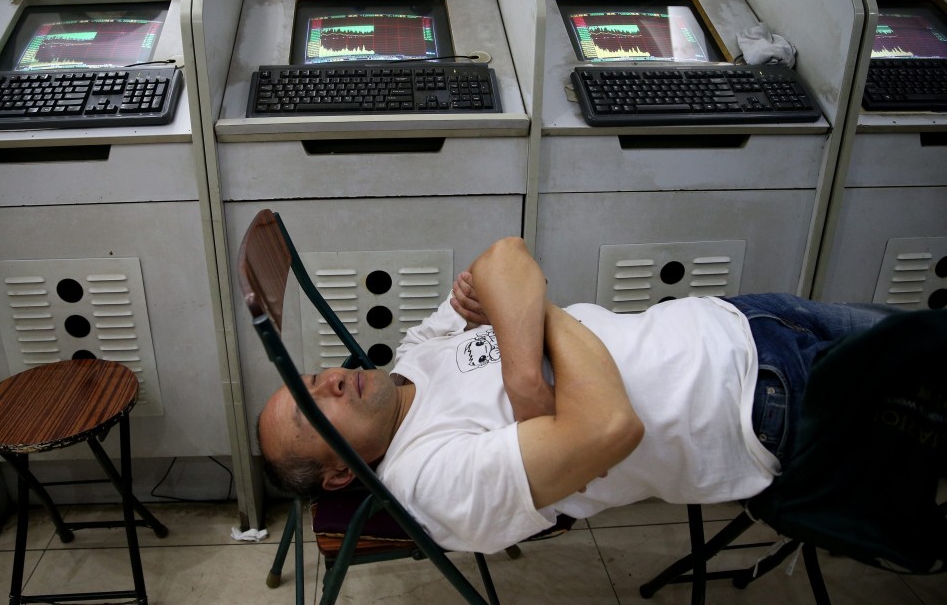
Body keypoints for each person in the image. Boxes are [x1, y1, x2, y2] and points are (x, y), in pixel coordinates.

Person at [258, 237, 902, 554]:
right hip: (758, 404)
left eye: (311, 379)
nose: (330, 380)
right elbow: (609, 427)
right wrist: (525, 313)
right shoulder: (431, 479)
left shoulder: (414, 356)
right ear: (340, 474)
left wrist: (526, 377)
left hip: (744, 319)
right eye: (316, 409)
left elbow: (504, 255)